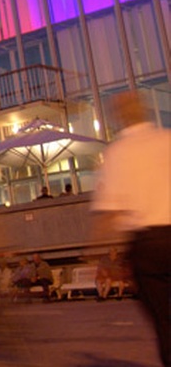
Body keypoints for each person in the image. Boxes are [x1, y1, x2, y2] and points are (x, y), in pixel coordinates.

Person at [92, 91, 171, 366]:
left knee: (164, 319)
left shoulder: (118, 152)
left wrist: (95, 246)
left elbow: (110, 210)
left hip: (148, 245)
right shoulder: (167, 140)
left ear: (120, 117)